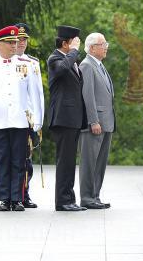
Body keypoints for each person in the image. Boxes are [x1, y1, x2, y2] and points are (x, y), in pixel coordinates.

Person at [0, 25, 41, 212]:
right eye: (10, 43)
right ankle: (4, 198)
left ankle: (17, 198)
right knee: (2, 159)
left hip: (20, 120)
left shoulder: (26, 65)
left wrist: (37, 118)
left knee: (19, 160)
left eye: (15, 42)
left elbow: (35, 94)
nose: (14, 45)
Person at [48, 25, 88, 212]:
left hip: (72, 118)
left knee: (70, 160)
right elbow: (62, 69)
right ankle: (63, 201)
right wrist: (73, 52)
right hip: (63, 118)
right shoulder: (55, 59)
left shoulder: (70, 60)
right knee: (64, 161)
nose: (77, 47)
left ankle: (69, 199)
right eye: (74, 43)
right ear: (65, 44)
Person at [79, 32, 115, 209]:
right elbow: (88, 95)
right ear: (92, 48)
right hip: (96, 123)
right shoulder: (87, 65)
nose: (106, 47)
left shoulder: (98, 65)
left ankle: (95, 195)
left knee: (100, 163)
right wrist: (93, 120)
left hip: (105, 121)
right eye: (103, 44)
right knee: (90, 162)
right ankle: (87, 197)